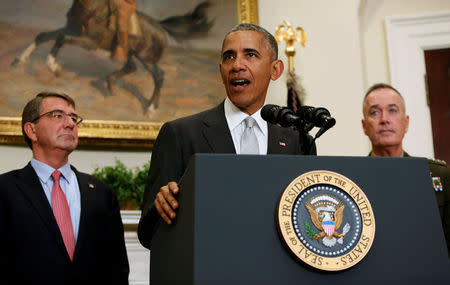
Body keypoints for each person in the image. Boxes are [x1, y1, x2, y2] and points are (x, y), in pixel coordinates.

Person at [138, 23, 316, 249]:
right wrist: (160, 208)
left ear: (275, 70)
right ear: (221, 69)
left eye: (250, 55)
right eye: (229, 57)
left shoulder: (297, 140)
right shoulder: (180, 134)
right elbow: (148, 233)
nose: (237, 65)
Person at [0, 92, 129, 284]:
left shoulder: (101, 193)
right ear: (31, 130)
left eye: (73, 118)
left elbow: (117, 270)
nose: (70, 124)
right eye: (58, 115)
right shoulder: (5, 190)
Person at [361, 82, 450, 254]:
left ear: (406, 122)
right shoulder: (354, 179)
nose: (384, 119)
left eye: (392, 110)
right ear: (365, 126)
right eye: (375, 112)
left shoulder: (438, 175)